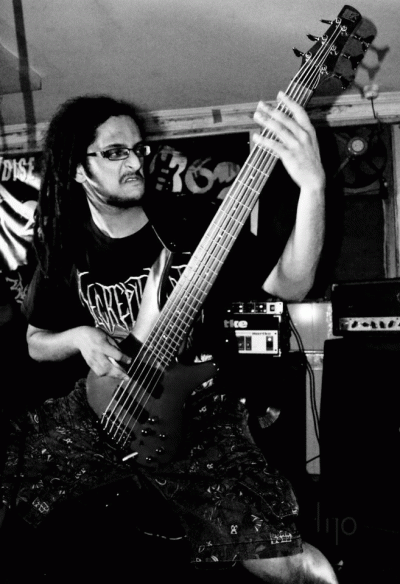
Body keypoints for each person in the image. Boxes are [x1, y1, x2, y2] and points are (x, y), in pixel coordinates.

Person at [0, 91, 337, 583]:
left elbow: (293, 284)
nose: (135, 162)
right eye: (115, 152)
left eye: (138, 149)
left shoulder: (190, 224)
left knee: (286, 566)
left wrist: (313, 187)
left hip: (198, 412)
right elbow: (35, 340)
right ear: (77, 168)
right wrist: (80, 337)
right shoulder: (65, 244)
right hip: (104, 409)